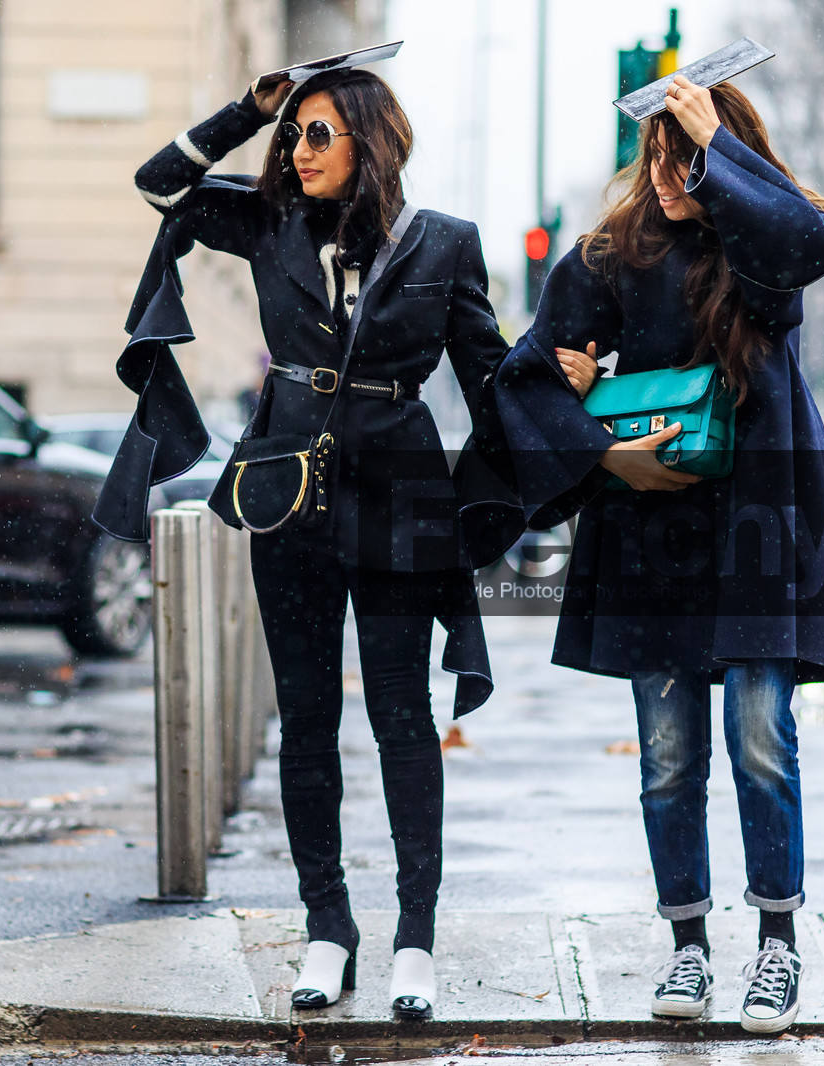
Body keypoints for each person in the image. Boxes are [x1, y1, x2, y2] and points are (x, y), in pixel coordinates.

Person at [122, 67, 514, 1022]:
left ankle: (413, 937)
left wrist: (575, 395)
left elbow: (491, 376)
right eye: (292, 134)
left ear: (369, 144)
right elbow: (158, 184)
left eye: (317, 135)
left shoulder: (444, 245)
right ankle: (327, 927)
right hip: (287, 493)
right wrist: (249, 111)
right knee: (304, 722)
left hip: (399, 498)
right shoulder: (269, 223)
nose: (297, 150)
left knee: (402, 720)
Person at [493, 73, 824, 1034]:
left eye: (686, 154)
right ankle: (688, 950)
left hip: (758, 523)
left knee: (758, 741)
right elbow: (526, 374)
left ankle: (777, 949)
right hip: (651, 528)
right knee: (667, 758)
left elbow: (814, 244)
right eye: (658, 152)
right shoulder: (609, 255)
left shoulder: (759, 244)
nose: (667, 173)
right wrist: (599, 444)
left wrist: (720, 155)